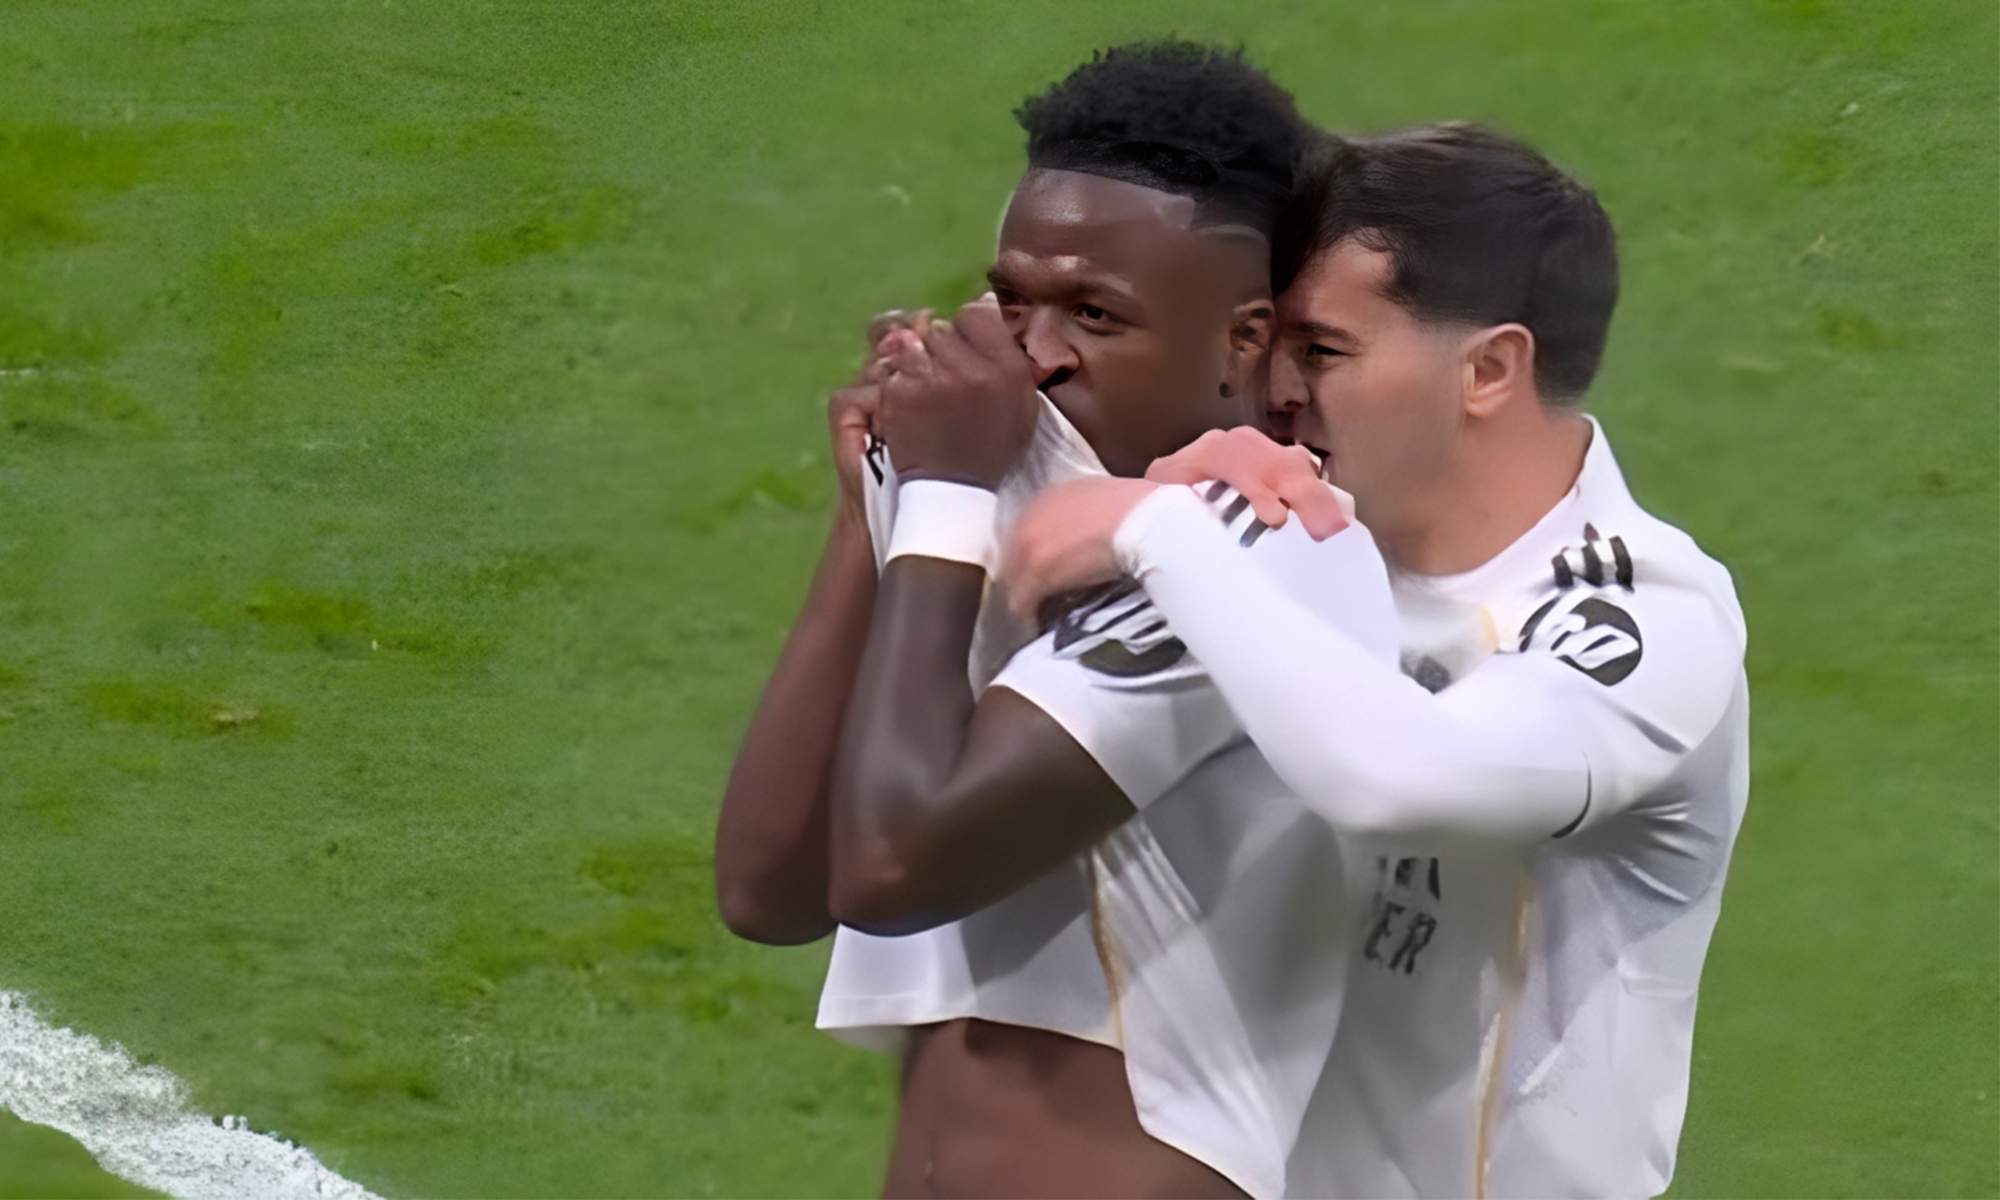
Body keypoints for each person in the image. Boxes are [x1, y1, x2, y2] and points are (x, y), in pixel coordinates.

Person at [1006, 124, 1750, 1198]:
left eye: (1322, 350)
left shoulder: (1645, 618)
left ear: (1488, 368)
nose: (1273, 389)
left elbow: (1398, 780)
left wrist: (1157, 535)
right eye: (1270, 344)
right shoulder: (1279, 543)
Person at [715, 42, 1396, 1198]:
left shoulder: (1260, 553)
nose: (1033, 355)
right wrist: (868, 508)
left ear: (1238, 341)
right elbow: (770, 890)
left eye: (1093, 313)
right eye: (1012, 298)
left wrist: (938, 499)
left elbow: (892, 864)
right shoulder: (995, 512)